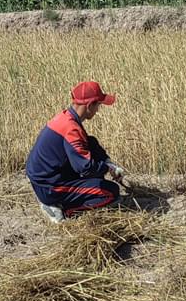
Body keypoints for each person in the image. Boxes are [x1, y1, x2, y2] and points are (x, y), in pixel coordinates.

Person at [26, 81, 126, 223]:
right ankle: (60, 209)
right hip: (49, 186)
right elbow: (85, 168)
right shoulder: (71, 129)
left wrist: (108, 163)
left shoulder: (66, 117)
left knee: (90, 142)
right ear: (89, 105)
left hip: (44, 178)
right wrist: (106, 168)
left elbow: (89, 144)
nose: (98, 110)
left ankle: (56, 200)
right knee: (110, 193)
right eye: (98, 105)